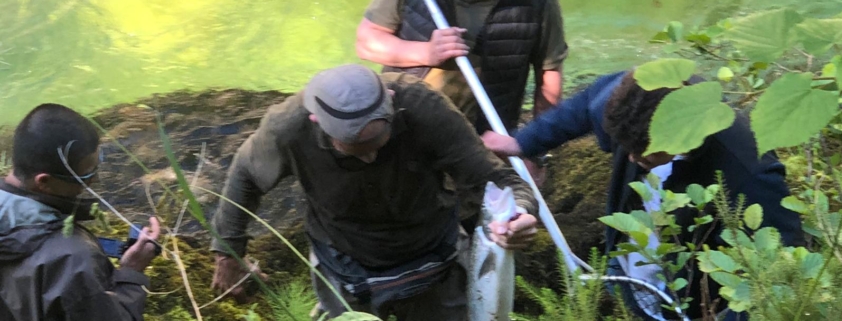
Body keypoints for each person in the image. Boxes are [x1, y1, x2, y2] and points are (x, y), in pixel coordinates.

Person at [210, 64, 539, 321]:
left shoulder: (423, 107)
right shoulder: (288, 128)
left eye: (378, 144)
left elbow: (496, 179)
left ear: (392, 104)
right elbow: (245, 177)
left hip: (432, 252)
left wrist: (519, 214)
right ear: (317, 122)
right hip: (344, 260)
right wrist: (228, 253)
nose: (369, 157)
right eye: (354, 148)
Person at [481, 69, 803, 321]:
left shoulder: (749, 170)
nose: (633, 159)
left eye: (646, 150)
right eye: (626, 146)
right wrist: (523, 142)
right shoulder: (627, 104)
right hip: (635, 271)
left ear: (682, 133)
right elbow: (586, 104)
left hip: (701, 299)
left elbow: (777, 271)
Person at [355, 0, 568, 188]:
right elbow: (367, 41)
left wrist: (534, 151)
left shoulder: (539, 5)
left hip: (485, 145)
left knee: (485, 224)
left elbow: (548, 79)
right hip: (406, 132)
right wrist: (426, 52)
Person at [0, 104, 161, 321]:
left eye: (99, 162)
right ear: (44, 182)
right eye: (86, 175)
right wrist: (132, 273)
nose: (95, 180)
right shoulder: (74, 260)